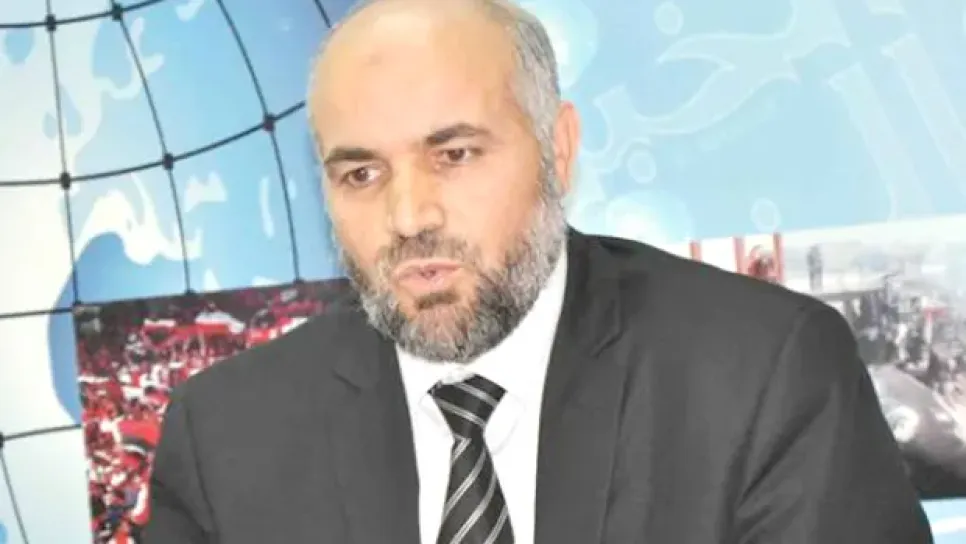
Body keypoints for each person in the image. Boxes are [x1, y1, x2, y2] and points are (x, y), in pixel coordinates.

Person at [143, 0, 934, 542]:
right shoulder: (226, 435)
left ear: (558, 148)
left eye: (454, 154)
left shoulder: (763, 374)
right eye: (361, 174)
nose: (409, 215)